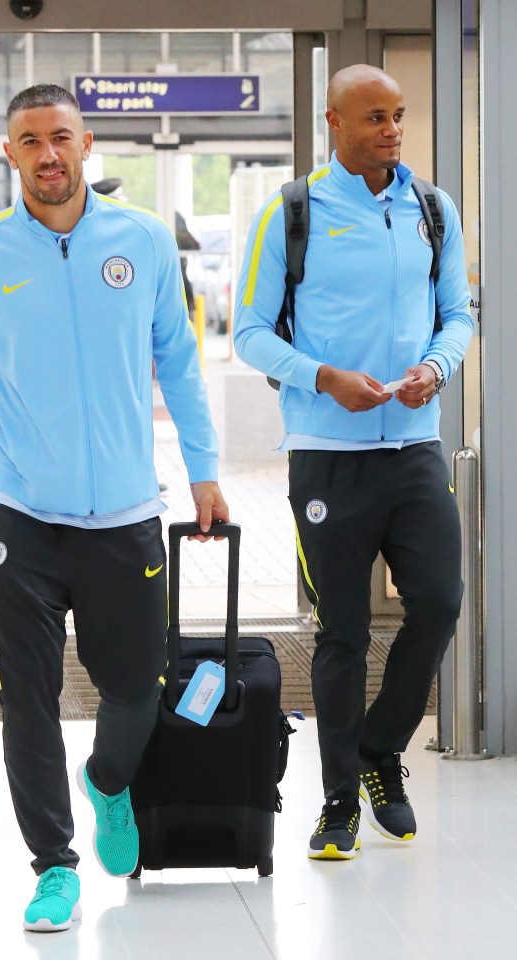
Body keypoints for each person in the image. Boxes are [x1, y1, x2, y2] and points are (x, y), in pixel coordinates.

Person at [0, 84, 229, 929]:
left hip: (123, 515)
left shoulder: (143, 241)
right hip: (20, 516)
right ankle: (54, 866)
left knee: (136, 692)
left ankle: (107, 780)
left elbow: (179, 363)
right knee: (25, 699)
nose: (47, 153)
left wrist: (205, 470)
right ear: (11, 155)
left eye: (61, 137)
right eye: (30, 140)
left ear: (86, 145)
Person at [234, 64, 472, 861]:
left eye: (398, 115)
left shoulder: (431, 209)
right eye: (374, 117)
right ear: (333, 123)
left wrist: (436, 369)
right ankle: (337, 801)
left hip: (413, 447)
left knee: (437, 603)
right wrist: (323, 378)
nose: (392, 130)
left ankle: (378, 749)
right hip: (325, 458)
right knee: (340, 631)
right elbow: (250, 332)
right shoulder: (293, 212)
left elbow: (456, 314)